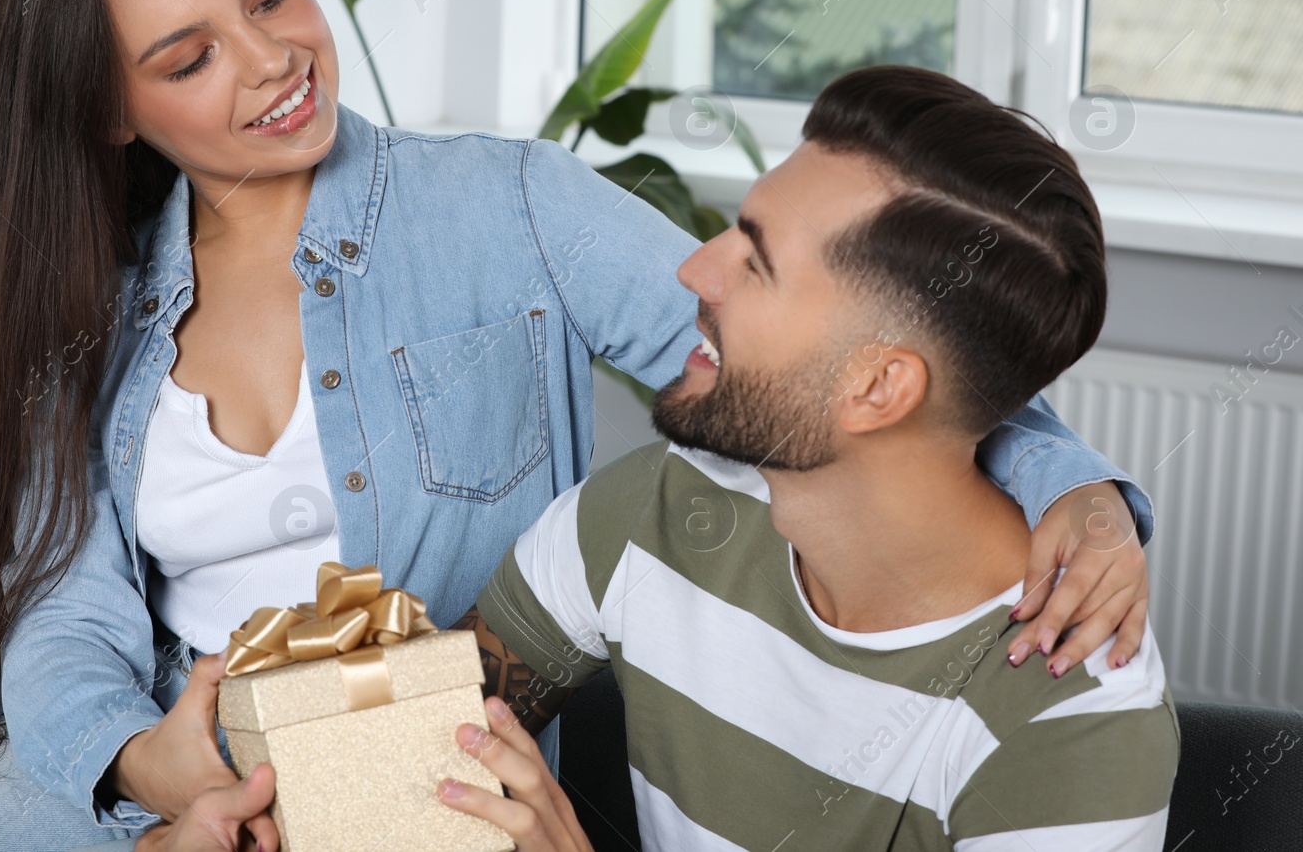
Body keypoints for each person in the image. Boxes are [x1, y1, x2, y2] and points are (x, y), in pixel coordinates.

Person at [0, 0, 1153, 852]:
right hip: (146, 759)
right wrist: (139, 767)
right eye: (189, 56)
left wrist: (1075, 485)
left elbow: (831, 363)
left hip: (395, 770)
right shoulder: (87, 294)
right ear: (111, 105)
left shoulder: (516, 203)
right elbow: (63, 605)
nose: (275, 55)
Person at [434, 66, 1180, 850]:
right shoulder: (652, 512)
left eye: (755, 263)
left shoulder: (1073, 721)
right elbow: (417, 748)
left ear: (878, 385)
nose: (694, 270)